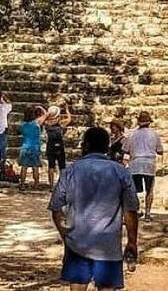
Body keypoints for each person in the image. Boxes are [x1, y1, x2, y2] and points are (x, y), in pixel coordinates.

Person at [49, 125, 139, 291]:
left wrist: (66, 236)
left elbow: (56, 210)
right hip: (108, 246)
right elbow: (130, 211)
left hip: (77, 244)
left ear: (86, 145)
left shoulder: (70, 171)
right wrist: (132, 242)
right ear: (106, 147)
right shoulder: (120, 172)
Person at [122, 110, 163, 222]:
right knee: (149, 190)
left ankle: (135, 210)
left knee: (134, 190)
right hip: (149, 163)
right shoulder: (154, 134)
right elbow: (160, 151)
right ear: (149, 122)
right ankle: (147, 214)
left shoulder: (132, 134)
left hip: (135, 163)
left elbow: (125, 149)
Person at [19, 105, 47, 190]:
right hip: (35, 147)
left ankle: (23, 184)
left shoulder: (23, 124)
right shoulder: (36, 122)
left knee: (24, 167)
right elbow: (46, 114)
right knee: (35, 167)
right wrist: (40, 108)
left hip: (25, 147)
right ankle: (36, 184)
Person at [46, 101, 72, 191]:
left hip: (50, 146)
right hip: (59, 146)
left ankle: (51, 186)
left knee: (51, 166)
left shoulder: (47, 124)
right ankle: (62, 185)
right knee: (62, 166)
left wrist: (48, 114)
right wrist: (67, 110)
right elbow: (69, 119)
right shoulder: (60, 123)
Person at [0, 90, 12, 170]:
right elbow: (9, 104)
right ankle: (2, 167)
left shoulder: (3, 107)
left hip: (2, 130)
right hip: (2, 130)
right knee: (2, 149)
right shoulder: (4, 107)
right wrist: (3, 98)